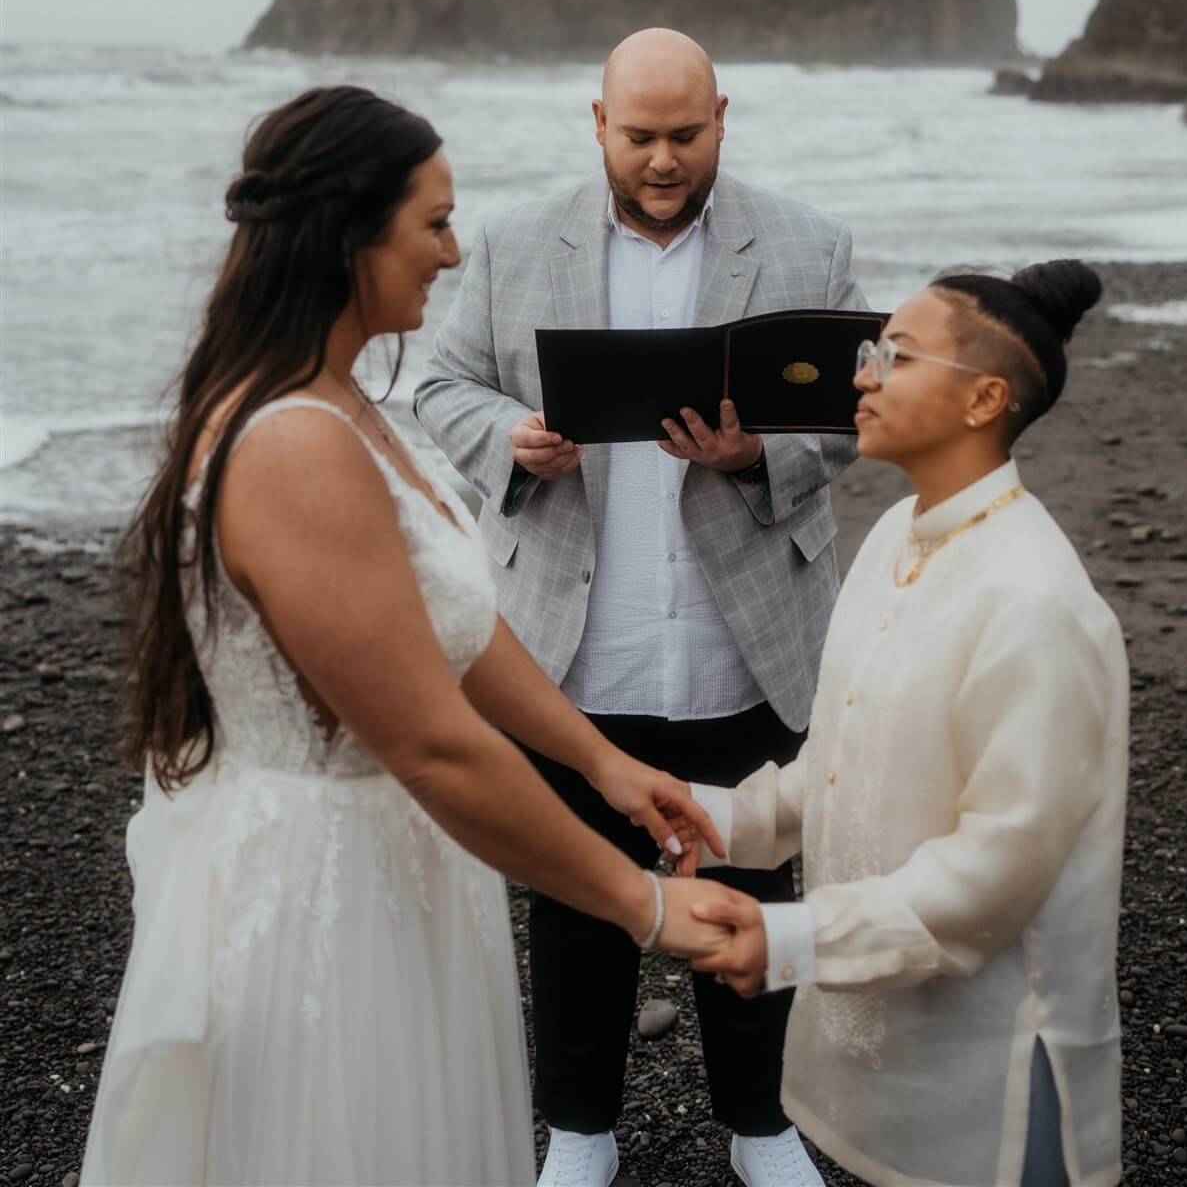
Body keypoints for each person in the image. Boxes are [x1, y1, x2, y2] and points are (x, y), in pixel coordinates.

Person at [82, 85, 729, 1187]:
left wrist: (601, 759)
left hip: (407, 868)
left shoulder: (344, 400)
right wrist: (643, 902)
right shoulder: (293, 443)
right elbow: (431, 739)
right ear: (349, 236)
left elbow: (458, 629)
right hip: (323, 898)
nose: (454, 249)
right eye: (431, 221)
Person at [415, 29, 867, 1187]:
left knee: (753, 879)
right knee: (571, 889)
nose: (662, 160)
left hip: (748, 636)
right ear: (597, 121)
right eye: (639, 136)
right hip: (571, 638)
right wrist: (506, 440)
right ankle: (579, 1126)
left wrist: (762, 451)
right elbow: (440, 383)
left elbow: (861, 412)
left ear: (723, 114)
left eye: (685, 134)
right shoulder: (516, 242)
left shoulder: (812, 242)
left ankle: (760, 1123)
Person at [689, 261, 1128, 1187]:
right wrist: (714, 819)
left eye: (895, 356)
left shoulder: (1035, 599)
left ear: (985, 399)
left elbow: (998, 867)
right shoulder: (894, 535)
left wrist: (794, 938)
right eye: (868, 353)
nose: (862, 376)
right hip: (876, 1032)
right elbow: (846, 759)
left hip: (996, 1053)